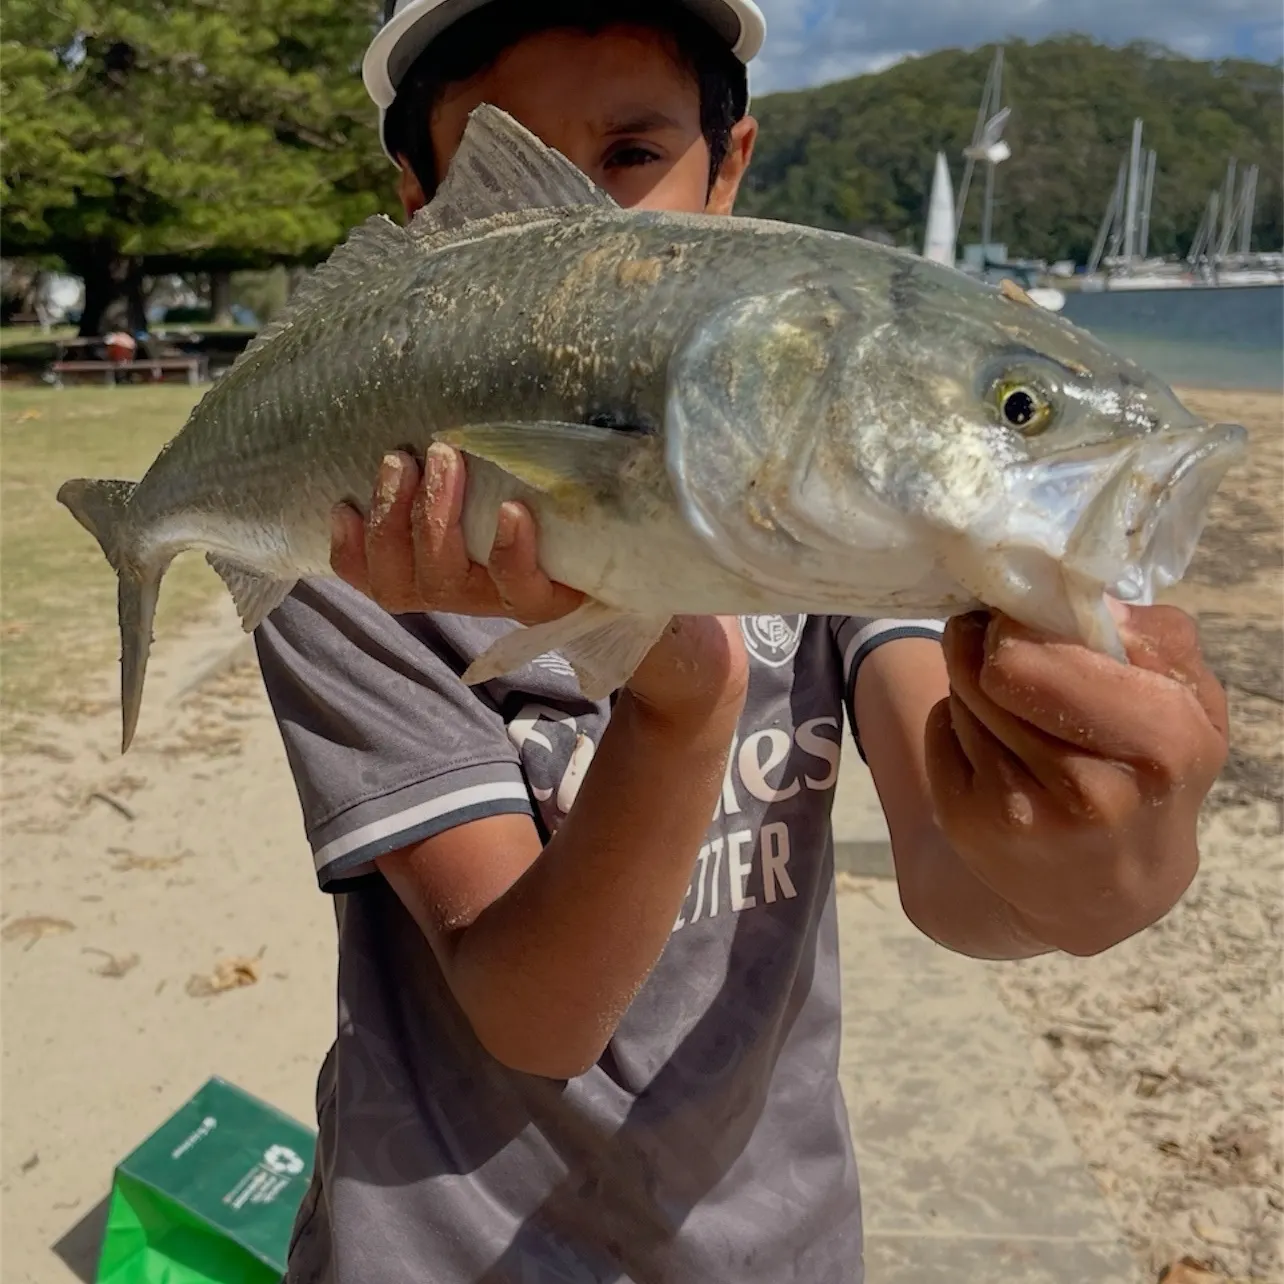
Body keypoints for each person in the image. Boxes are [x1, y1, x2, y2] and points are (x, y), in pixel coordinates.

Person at [255, 3, 1230, 1281]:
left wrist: (1111, 865)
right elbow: (532, 1016)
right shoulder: (357, 551)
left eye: (628, 157)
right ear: (425, 208)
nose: (588, 231)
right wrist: (683, 700)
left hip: (776, 1242)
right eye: (521, 174)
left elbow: (959, 883)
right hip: (431, 1245)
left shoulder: (827, 523)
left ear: (734, 167)